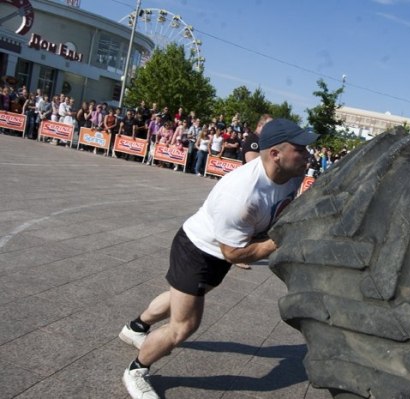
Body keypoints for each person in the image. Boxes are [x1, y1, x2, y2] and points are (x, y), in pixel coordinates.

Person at [118, 118, 318, 398]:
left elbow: (281, 210)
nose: (309, 155)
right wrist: (280, 239)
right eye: (301, 149)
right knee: (184, 324)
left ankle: (135, 327)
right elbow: (235, 253)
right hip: (197, 250)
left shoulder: (293, 173)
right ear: (275, 154)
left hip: (219, 251)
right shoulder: (240, 195)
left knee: (182, 297)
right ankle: (136, 370)